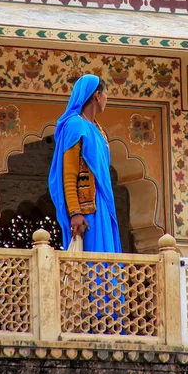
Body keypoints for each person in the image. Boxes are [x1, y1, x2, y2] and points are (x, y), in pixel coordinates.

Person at [49, 74, 122, 253]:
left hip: (102, 205)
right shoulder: (75, 126)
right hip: (86, 210)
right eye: (106, 94)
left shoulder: (99, 130)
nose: (107, 99)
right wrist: (75, 212)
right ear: (97, 95)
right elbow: (69, 173)